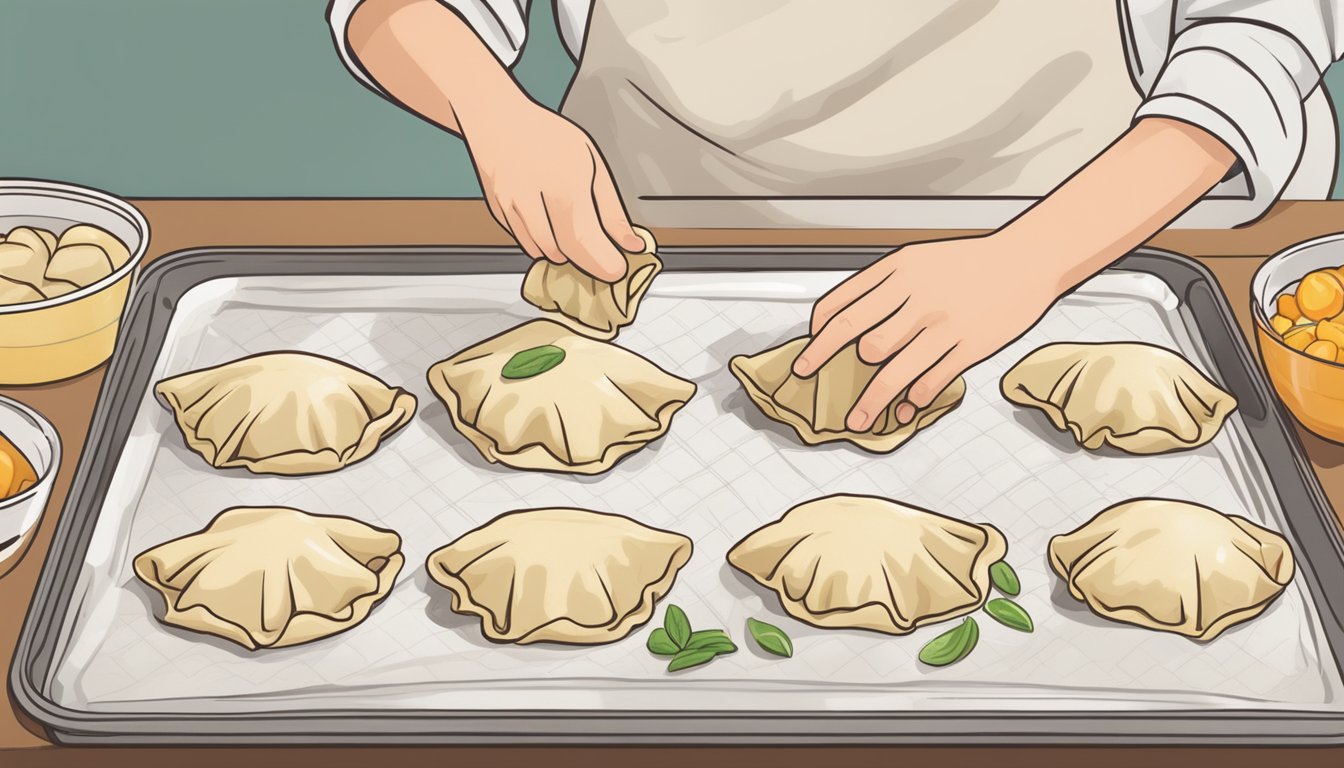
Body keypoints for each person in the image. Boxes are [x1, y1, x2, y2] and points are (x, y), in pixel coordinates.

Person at [327, 0, 1342, 430]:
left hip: (1093, 250)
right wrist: (495, 111)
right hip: (664, 254)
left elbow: (1259, 33)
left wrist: (1026, 262)